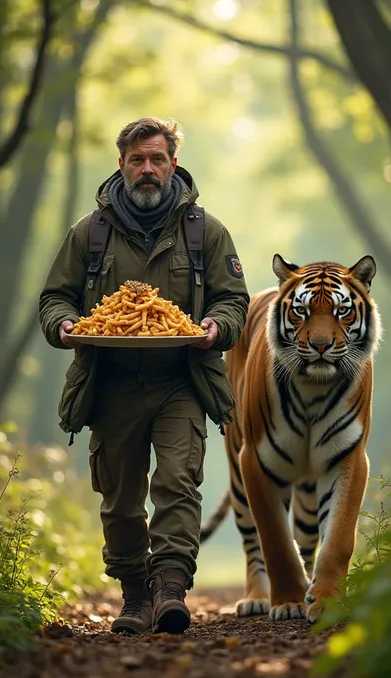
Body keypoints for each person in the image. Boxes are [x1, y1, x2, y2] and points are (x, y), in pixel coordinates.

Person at [39, 117, 249, 635]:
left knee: (178, 482)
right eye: (138, 160)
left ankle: (171, 591)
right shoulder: (90, 233)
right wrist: (63, 325)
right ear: (122, 166)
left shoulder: (207, 231)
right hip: (110, 381)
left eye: (157, 159)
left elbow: (234, 302)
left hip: (182, 378)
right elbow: (55, 298)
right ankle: (135, 596)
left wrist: (214, 327)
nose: (148, 169)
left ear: (173, 163)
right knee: (121, 498)